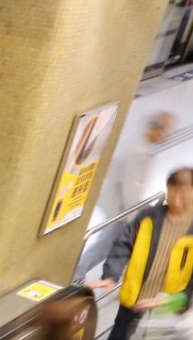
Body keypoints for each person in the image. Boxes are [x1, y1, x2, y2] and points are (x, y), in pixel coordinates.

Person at [91, 168, 193, 340]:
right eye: (172, 194)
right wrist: (111, 275)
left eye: (184, 196)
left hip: (165, 304)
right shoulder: (148, 216)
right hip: (135, 295)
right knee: (117, 339)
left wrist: (178, 300)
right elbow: (123, 244)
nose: (176, 202)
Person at [75, 112, 176, 281]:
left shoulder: (141, 148)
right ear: (153, 128)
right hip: (120, 209)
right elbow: (130, 188)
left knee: (106, 245)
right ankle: (76, 276)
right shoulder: (138, 152)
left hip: (120, 207)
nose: (166, 135)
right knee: (103, 246)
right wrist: (134, 216)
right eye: (164, 130)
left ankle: (79, 275)